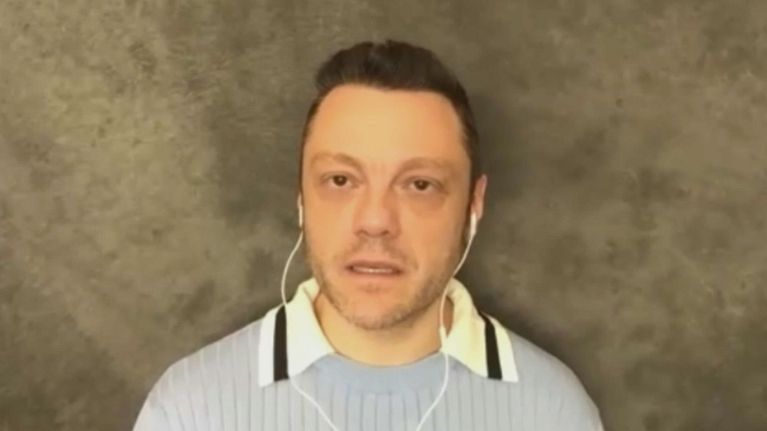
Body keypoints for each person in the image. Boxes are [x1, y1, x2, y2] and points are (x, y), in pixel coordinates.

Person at [132, 39, 603, 431]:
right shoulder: (188, 410)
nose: (376, 220)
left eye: (419, 185)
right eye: (341, 180)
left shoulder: (553, 411)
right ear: (301, 198)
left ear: (473, 206)